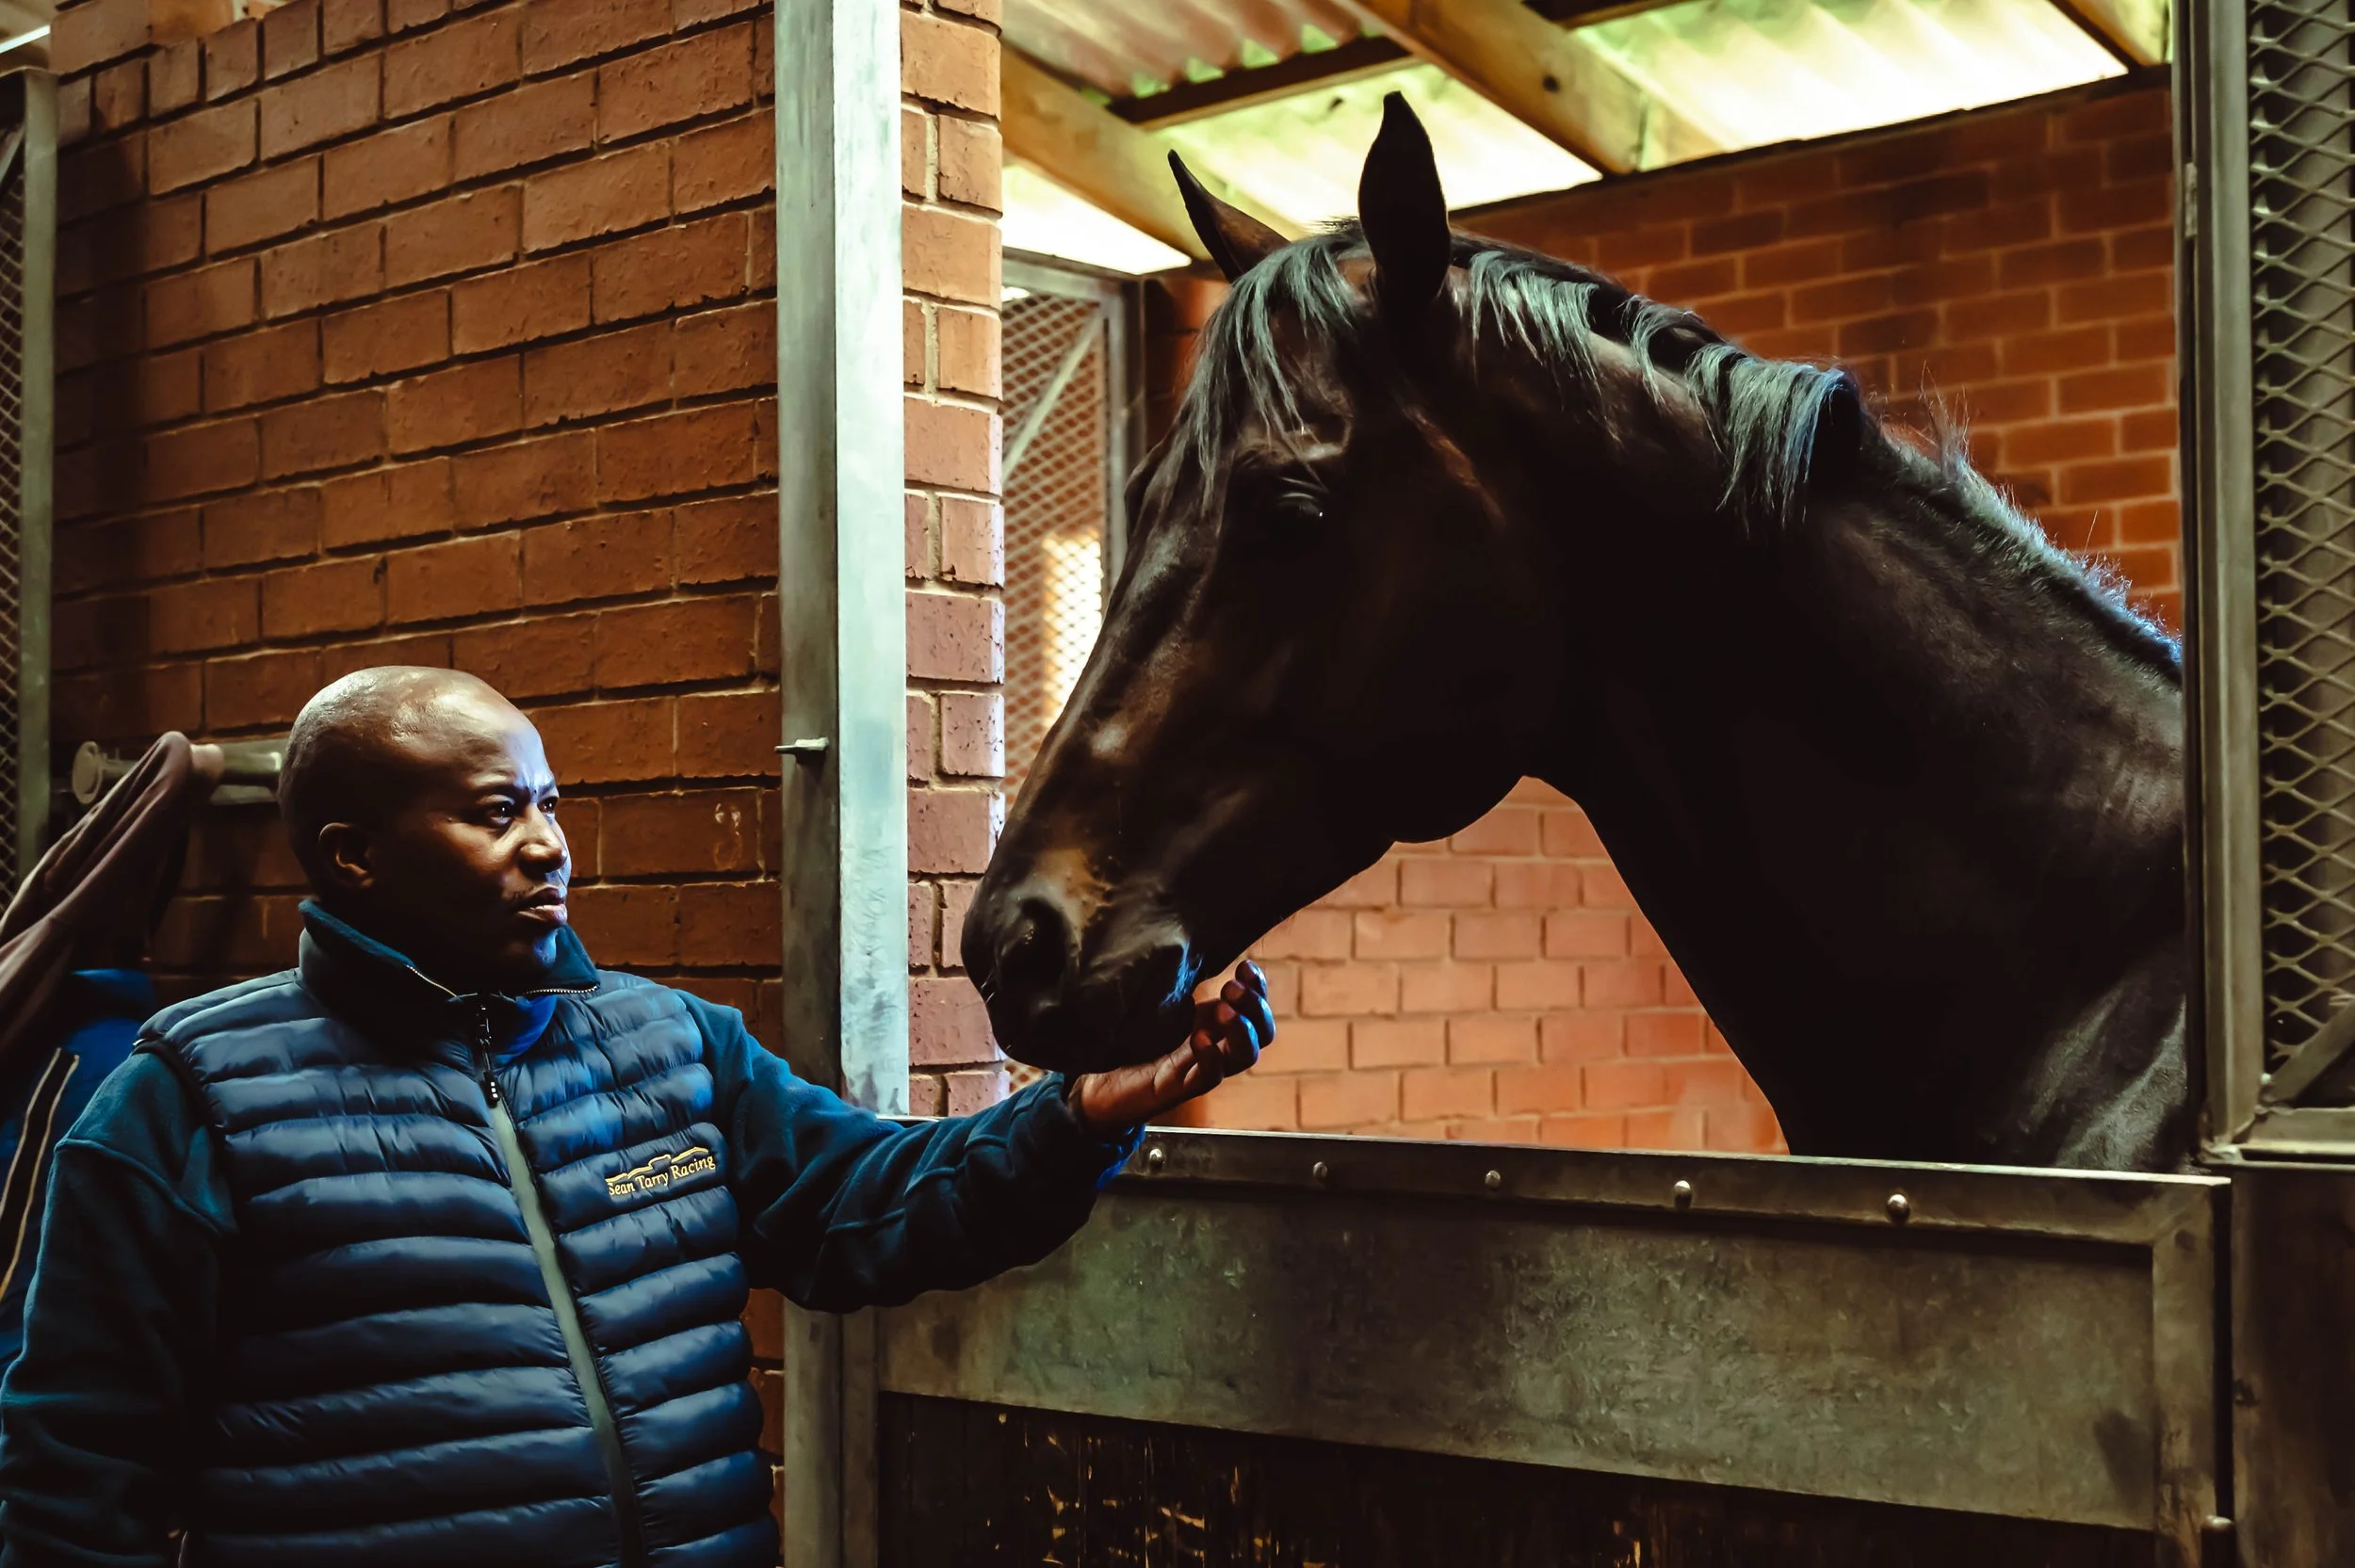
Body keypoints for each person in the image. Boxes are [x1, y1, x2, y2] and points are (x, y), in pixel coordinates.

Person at [0, 668, 1274, 1568]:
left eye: (551, 803)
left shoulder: (669, 1045)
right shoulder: (189, 1099)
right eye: (497, 813)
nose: (549, 845)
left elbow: (874, 1207)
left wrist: (1085, 1113)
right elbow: (77, 1477)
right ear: (353, 858)